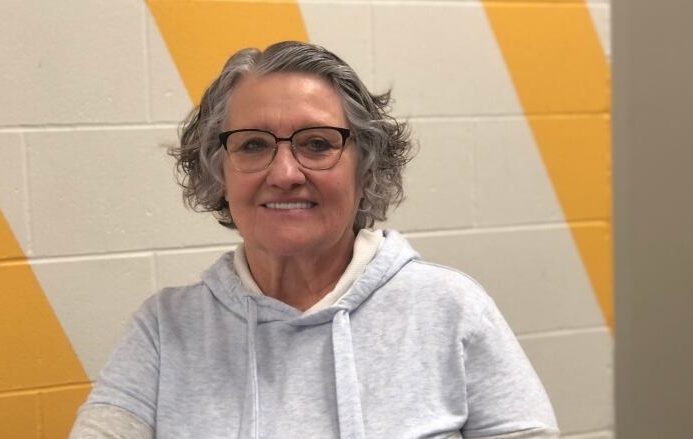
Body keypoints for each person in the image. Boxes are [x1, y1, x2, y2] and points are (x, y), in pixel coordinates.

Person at [70, 41, 558, 439]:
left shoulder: (449, 309)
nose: (284, 173)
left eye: (317, 144)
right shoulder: (165, 330)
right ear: (219, 172)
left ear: (365, 168)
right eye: (254, 144)